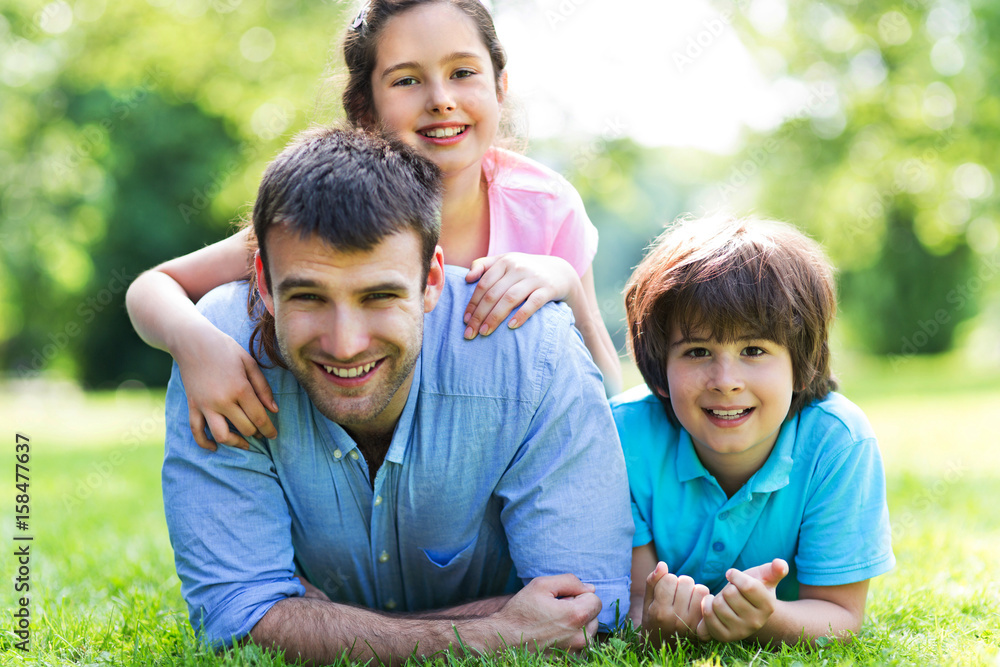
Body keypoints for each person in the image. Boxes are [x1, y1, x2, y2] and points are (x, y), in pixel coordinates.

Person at [160, 126, 632, 664]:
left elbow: (586, 613)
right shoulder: (218, 353)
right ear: (264, 284)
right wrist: (498, 631)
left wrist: (301, 621)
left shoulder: (534, 353)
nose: (344, 343)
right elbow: (234, 620)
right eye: (309, 297)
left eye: (379, 295)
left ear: (431, 279)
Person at [126, 0, 621, 455]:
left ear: (500, 86)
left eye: (463, 72)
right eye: (407, 80)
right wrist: (197, 343)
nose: (441, 99)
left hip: (492, 466)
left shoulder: (547, 208)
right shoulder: (329, 214)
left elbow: (606, 394)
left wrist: (567, 283)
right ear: (366, 107)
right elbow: (153, 287)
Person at [614, 215, 894, 646]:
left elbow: (840, 615)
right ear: (659, 372)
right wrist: (651, 623)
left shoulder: (837, 443)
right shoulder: (622, 437)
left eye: (754, 349)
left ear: (802, 365)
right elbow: (631, 602)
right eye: (698, 350)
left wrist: (768, 618)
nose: (725, 380)